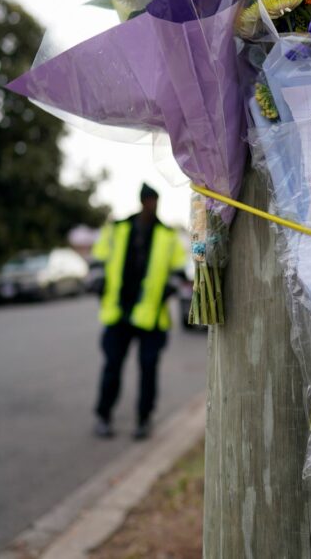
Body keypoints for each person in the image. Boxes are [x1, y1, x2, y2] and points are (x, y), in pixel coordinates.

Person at [91, 183, 186, 440]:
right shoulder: (118, 229)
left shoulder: (167, 235)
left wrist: (172, 286)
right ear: (142, 201)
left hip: (151, 317)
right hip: (119, 314)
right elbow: (98, 257)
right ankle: (103, 415)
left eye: (155, 201)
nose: (152, 206)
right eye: (149, 201)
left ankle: (144, 420)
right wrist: (98, 280)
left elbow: (179, 268)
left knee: (148, 370)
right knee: (112, 367)